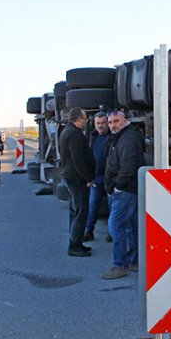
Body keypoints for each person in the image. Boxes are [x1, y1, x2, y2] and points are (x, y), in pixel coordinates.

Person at [102, 110, 145, 279]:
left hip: (126, 190)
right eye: (110, 122)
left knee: (115, 226)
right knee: (130, 226)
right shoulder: (119, 137)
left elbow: (128, 166)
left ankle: (119, 265)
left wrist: (118, 187)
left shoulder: (128, 139)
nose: (113, 125)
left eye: (116, 121)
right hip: (124, 189)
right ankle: (134, 261)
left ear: (125, 120)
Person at [59, 107, 96, 257]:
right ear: (78, 119)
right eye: (85, 118)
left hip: (71, 177)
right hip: (76, 179)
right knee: (80, 212)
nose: (86, 121)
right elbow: (77, 159)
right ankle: (74, 246)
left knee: (75, 212)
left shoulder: (68, 131)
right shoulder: (74, 134)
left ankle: (76, 242)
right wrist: (88, 177)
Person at [83, 111, 111, 243]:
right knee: (93, 205)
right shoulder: (92, 137)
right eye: (98, 123)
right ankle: (89, 231)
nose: (100, 126)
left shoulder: (113, 137)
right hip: (96, 177)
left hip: (110, 177)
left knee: (113, 206)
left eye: (103, 123)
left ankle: (112, 233)